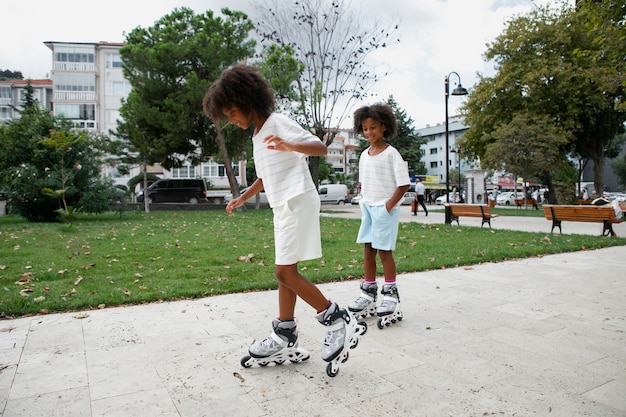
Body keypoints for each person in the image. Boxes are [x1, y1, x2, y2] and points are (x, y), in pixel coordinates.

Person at [202, 64, 365, 377]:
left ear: (248, 102)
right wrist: (244, 197)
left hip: (297, 200)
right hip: (282, 206)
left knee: (284, 271)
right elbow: (265, 176)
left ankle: (337, 318)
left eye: (233, 112)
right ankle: (285, 333)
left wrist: (290, 144)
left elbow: (319, 147)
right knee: (285, 273)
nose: (233, 121)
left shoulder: (278, 123)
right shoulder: (258, 135)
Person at [348, 103, 410, 329]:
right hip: (368, 207)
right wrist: (364, 200)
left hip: (384, 209)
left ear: (384, 127)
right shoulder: (365, 155)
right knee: (367, 250)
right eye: (365, 129)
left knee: (384, 252)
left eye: (373, 127)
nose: (369, 133)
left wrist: (387, 207)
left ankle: (391, 293)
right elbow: (365, 181)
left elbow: (404, 185)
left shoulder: (392, 154)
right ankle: (368, 291)